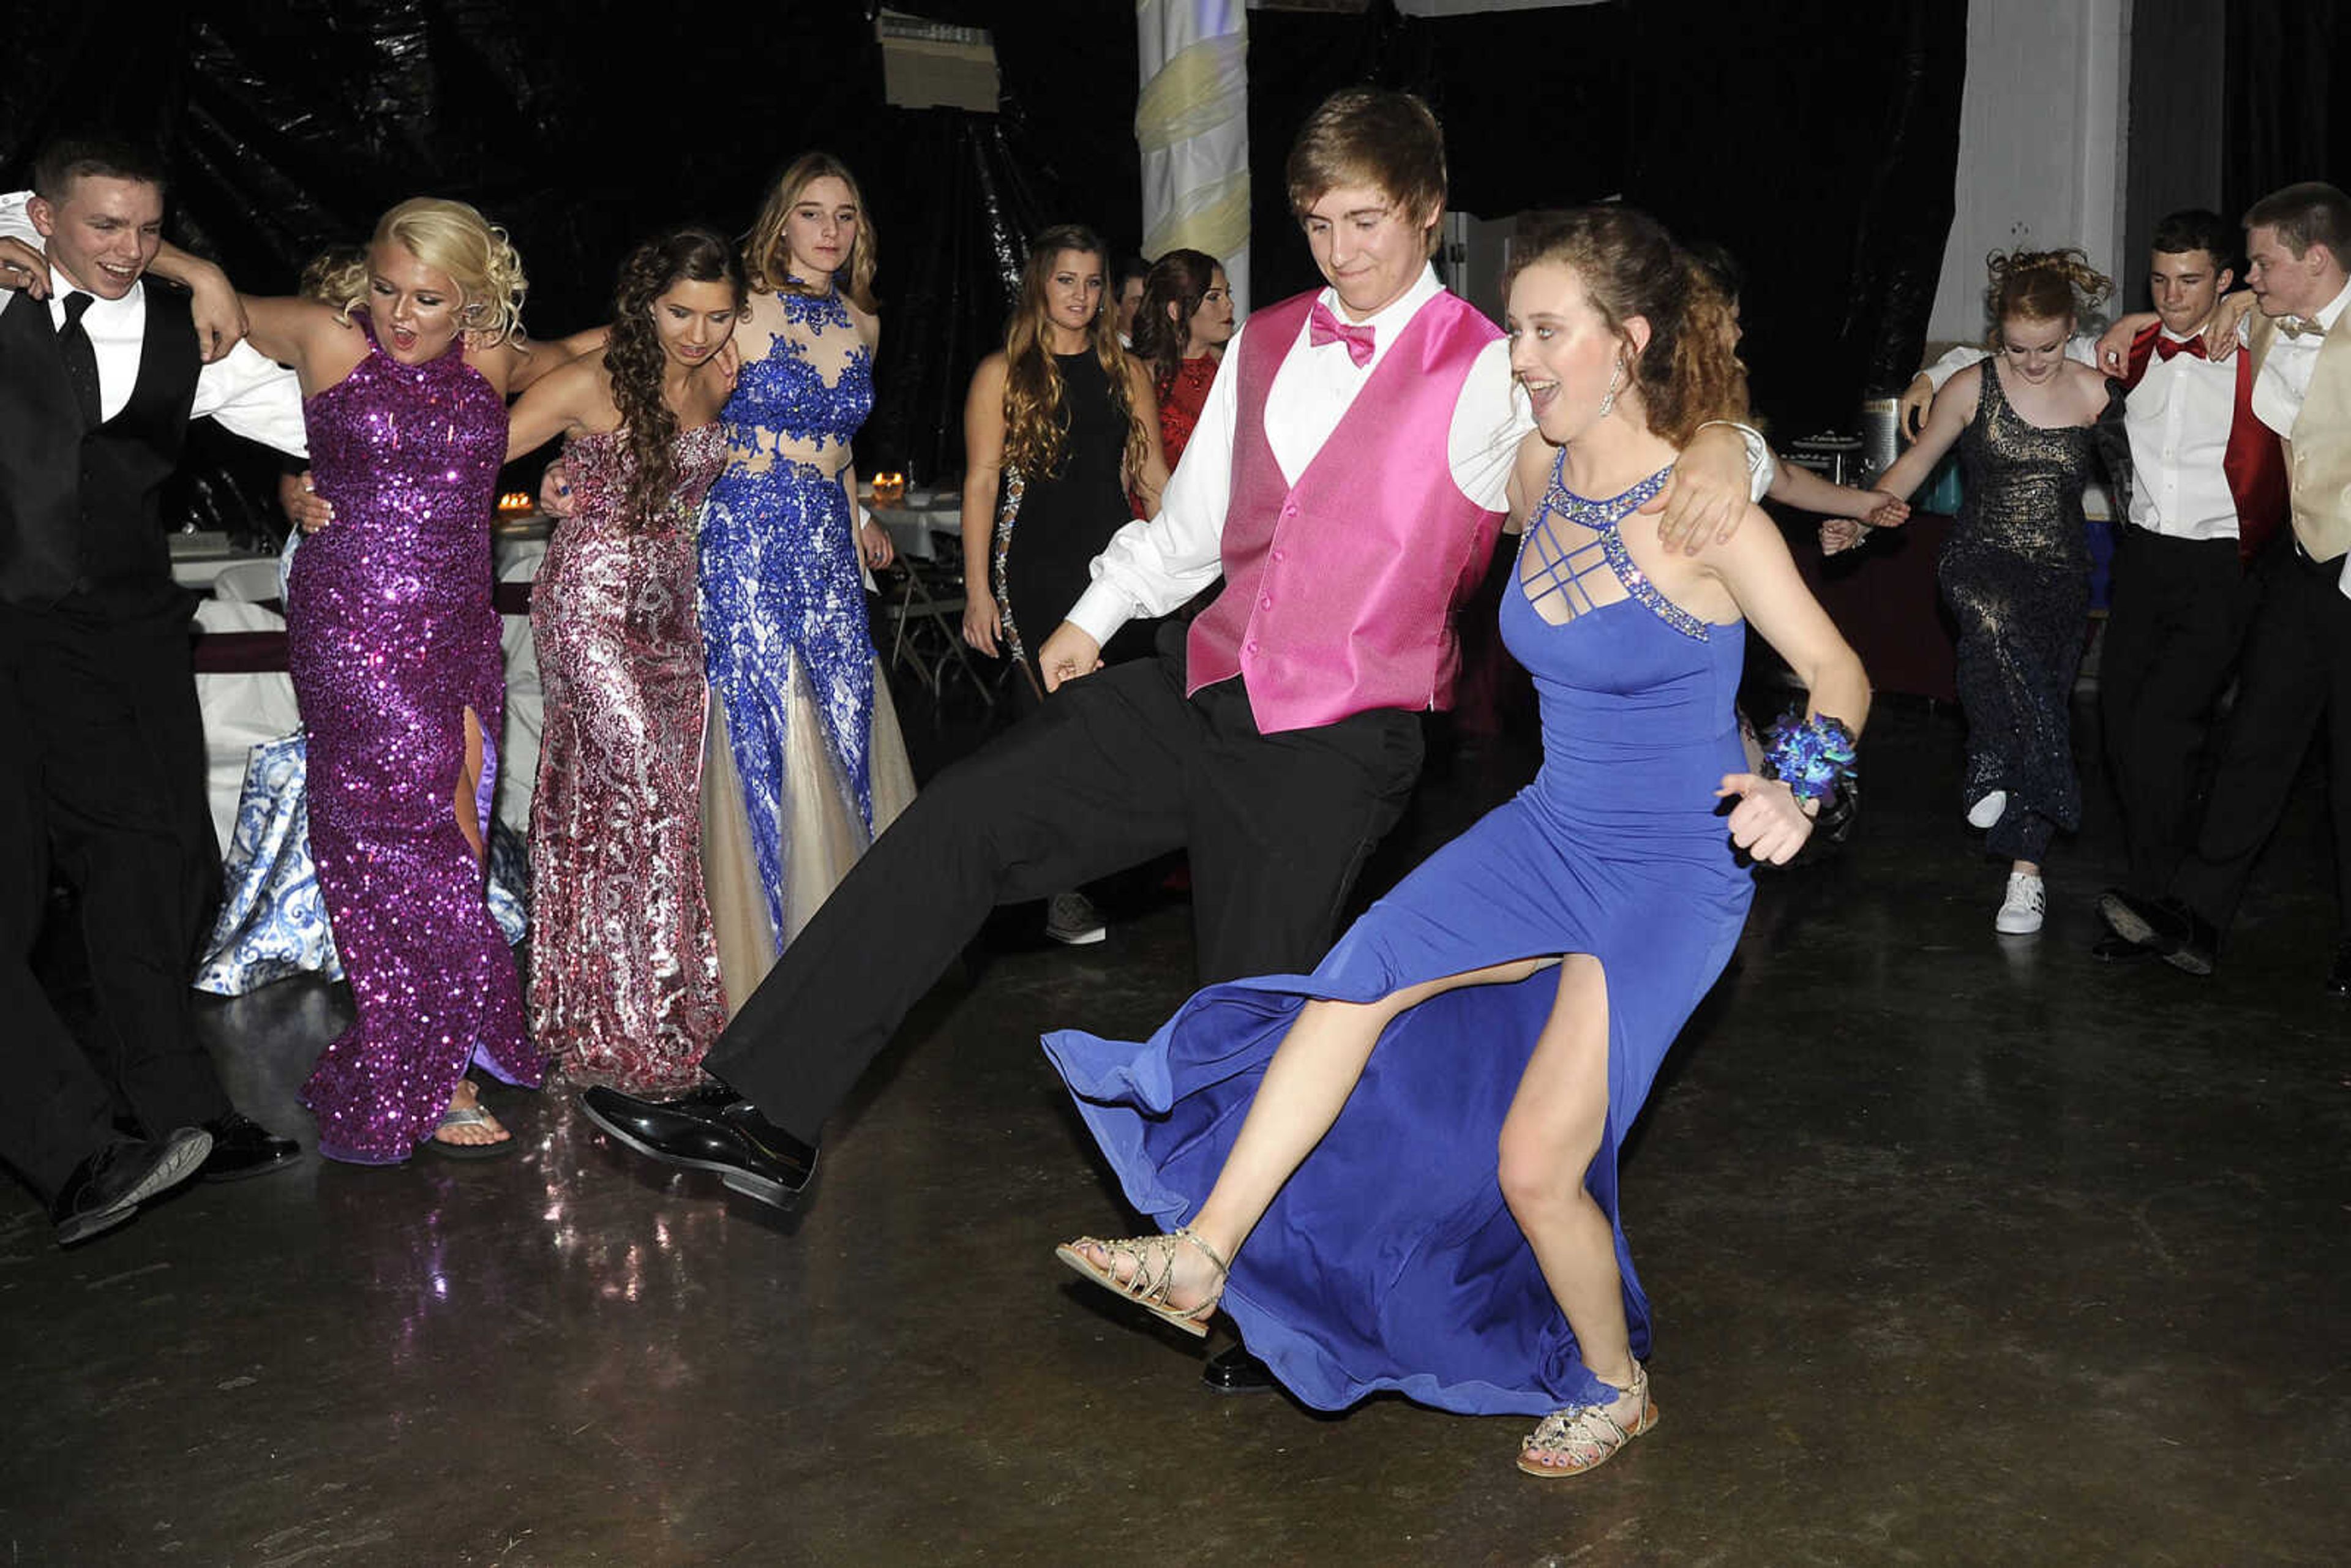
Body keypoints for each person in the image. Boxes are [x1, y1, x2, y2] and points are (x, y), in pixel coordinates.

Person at [576, 91, 1769, 1250]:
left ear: (1426, 210)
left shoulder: (1483, 367)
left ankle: (1266, 1279)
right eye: (1318, 224)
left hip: (1337, 740)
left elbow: (1634, 448)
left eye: (1367, 222)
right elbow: (1190, 529)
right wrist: (1092, 614)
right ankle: (768, 1109)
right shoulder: (1266, 339)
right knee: (964, 817)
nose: (1342, 251)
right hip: (1194, 685)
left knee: (1250, 1015)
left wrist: (1735, 441)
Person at [1048, 204, 1870, 1477]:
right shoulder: (1533, 473)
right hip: (1548, 828)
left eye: (1547, 331)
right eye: (1516, 329)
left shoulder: (1711, 519)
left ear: (1627, 340)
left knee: (1538, 1163)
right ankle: (1200, 1251)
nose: (1521, 354)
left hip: (1668, 871)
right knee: (1354, 976)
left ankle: (1617, 1381)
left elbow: (1836, 671)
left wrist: (1798, 790)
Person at [222, 197, 580, 1161]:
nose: (401, 314)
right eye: (386, 288)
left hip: (458, 630)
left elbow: (593, 361)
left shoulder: (492, 358)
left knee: (459, 838)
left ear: (472, 299)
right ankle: (433, 1069)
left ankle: (442, 1033)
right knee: (409, 846)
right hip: (357, 630)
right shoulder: (327, 342)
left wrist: (692, 324)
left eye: (429, 297)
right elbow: (206, 308)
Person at [0, 140, 304, 1244]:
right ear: (40, 214)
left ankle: (176, 1114)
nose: (130, 252)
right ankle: (75, 1147)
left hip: (121, 633)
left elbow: (305, 415)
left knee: (157, 864)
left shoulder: (184, 323)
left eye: (149, 229)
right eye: (103, 229)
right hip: (10, 630)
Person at [504, 227, 744, 1090]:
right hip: (591, 610)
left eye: (718, 316)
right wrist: (540, 492)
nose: (698, 331)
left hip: (674, 623)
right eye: (681, 312)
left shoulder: (719, 376)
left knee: (639, 810)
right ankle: (644, 1024)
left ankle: (614, 1005)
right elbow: (468, 457)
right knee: (647, 795)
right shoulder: (592, 378)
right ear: (647, 303)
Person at [2099, 182, 2351, 991]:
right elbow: (2186, 314)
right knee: (2255, 744)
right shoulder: (2268, 317)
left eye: (2263, 262)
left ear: (2314, 258)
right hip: (2303, 568)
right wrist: (2136, 321)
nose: (2251, 275)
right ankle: (2194, 918)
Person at [1831, 249, 2126, 934]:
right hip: (1980, 556)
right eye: (2018, 347)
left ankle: (2026, 875)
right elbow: (1913, 467)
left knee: (2041, 699)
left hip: (2059, 571)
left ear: (2071, 329)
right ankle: (2003, 763)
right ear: (1999, 335)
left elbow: (2136, 486)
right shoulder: (1970, 385)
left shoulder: (2094, 393)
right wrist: (1860, 520)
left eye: (2047, 348)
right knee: (1991, 621)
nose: (2031, 362)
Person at [689, 153, 917, 1007]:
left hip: (826, 539)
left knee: (844, 712)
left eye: (846, 215)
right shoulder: (737, 309)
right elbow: (677, 410)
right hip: (743, 533)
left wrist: (858, 520)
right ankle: (772, 950)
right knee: (768, 716)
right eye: (814, 213)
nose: (831, 230)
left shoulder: (862, 322)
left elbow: (844, 448)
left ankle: (847, 942)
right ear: (782, 220)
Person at [958, 225, 1171, 945]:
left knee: (1113, 721)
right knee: (1049, 725)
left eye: (1092, 282)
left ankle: (1100, 866)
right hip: (1033, 569)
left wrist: (1188, 559)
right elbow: (983, 482)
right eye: (1065, 280)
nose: (1080, 296)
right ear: (1040, 286)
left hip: (1112, 566)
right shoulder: (1003, 372)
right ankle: (1057, 889)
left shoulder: (1128, 370)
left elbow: (1152, 478)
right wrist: (978, 590)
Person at [1128, 246, 1237, 482]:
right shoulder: (1141, 375)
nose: (1229, 304)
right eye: (1214, 297)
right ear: (1175, 310)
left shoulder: (1232, 368)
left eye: (1228, 293)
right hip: (1158, 513)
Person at [1112, 253, 1150, 348]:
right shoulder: (1106, 355)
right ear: (1116, 307)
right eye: (1138, 301)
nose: (1148, 306)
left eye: (1152, 298)